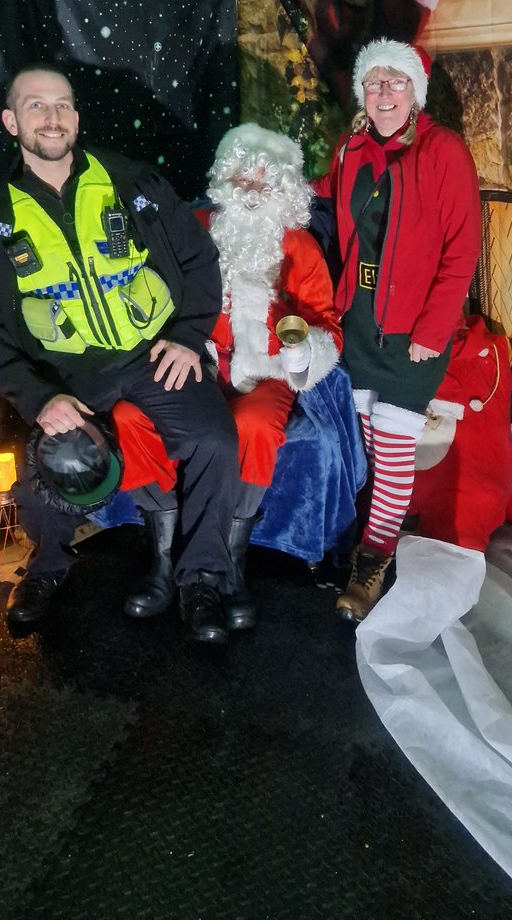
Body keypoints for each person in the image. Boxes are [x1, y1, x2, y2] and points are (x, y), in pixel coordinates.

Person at [0, 63, 241, 644]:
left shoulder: (134, 183)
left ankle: (203, 578)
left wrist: (187, 336)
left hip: (152, 352)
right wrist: (41, 398)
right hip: (66, 376)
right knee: (48, 468)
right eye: (36, 106)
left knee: (215, 439)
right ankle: (48, 566)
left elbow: (197, 261)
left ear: (78, 117)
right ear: (11, 122)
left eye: (62, 105)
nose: (52, 117)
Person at [113, 122, 342, 629]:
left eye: (265, 183)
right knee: (131, 415)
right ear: (224, 180)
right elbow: (148, 289)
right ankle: (163, 557)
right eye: (243, 179)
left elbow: (326, 325)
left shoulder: (298, 248)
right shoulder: (193, 224)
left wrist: (300, 348)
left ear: (283, 190)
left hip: (264, 372)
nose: (253, 192)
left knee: (255, 427)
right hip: (193, 362)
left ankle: (230, 563)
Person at [313, 39, 481, 622]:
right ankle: (361, 535)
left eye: (396, 83)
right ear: (363, 92)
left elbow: (463, 250)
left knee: (391, 445)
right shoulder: (349, 148)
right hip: (359, 317)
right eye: (374, 83)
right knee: (361, 441)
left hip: (415, 327)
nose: (384, 94)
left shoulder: (443, 151)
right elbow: (324, 209)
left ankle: (373, 563)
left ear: (415, 92)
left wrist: (435, 328)